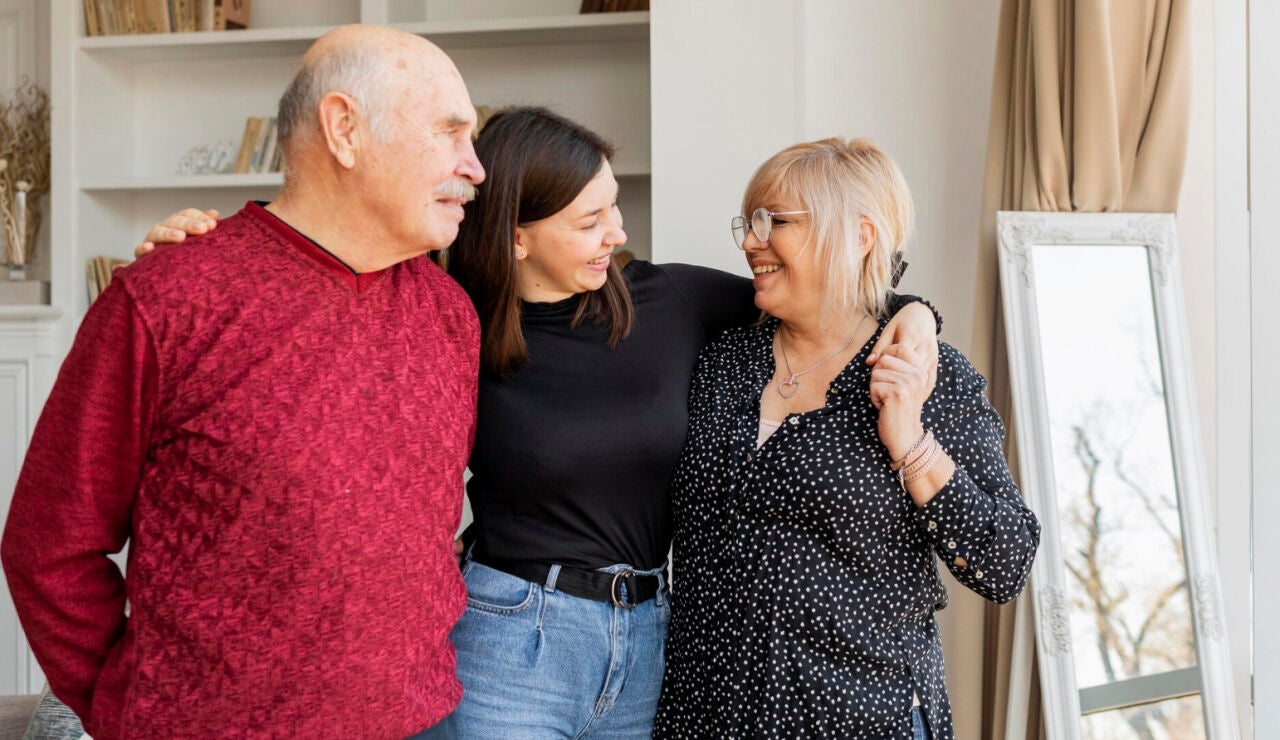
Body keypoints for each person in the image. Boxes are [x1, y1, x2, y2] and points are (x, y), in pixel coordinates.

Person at [136, 108, 942, 737]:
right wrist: (198, 252)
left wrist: (918, 318)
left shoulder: (671, 302)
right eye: (590, 222)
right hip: (509, 641)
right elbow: (301, 304)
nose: (619, 235)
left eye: (615, 209)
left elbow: (835, 299)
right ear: (517, 236)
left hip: (650, 639)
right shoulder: (443, 323)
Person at [1, 25, 484, 739]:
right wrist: (122, 707)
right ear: (344, 129)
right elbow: (50, 544)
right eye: (450, 133)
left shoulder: (449, 314)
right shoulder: (168, 298)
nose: (474, 166)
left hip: (421, 723)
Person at [654, 137, 1040, 739]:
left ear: (860, 236)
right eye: (749, 222)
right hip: (707, 718)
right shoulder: (721, 360)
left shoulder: (928, 376)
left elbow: (1004, 564)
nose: (751, 241)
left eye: (774, 221)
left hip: (862, 715)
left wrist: (909, 441)